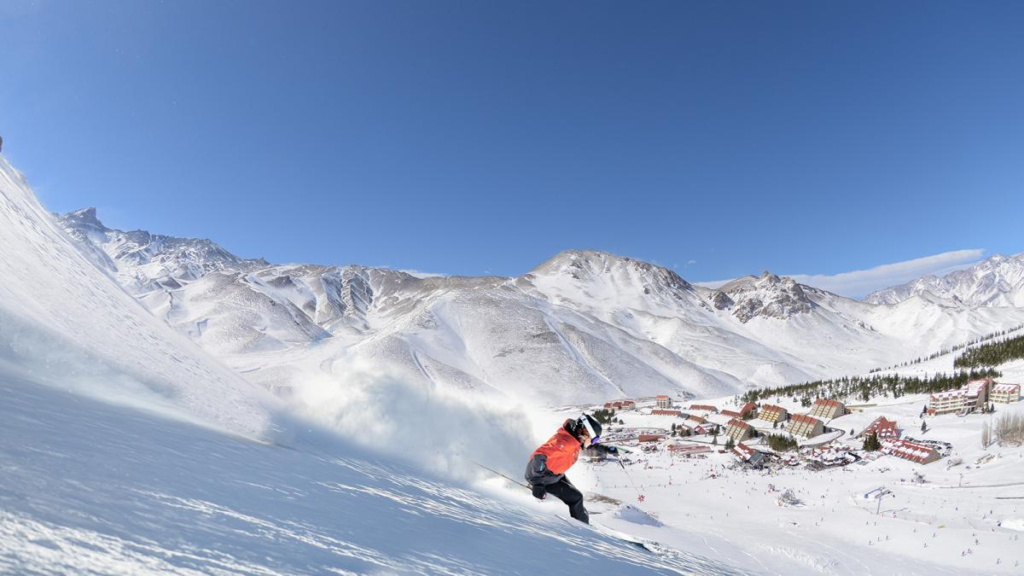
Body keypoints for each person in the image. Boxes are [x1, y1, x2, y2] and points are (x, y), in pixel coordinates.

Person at [524, 413, 617, 524]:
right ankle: (582, 528)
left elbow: (588, 445)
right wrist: (537, 483)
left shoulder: (575, 438)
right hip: (544, 477)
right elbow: (539, 456)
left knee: (577, 497)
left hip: (556, 475)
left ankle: (584, 521)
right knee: (576, 498)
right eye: (594, 439)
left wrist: (606, 449)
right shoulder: (566, 442)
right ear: (586, 432)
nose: (593, 442)